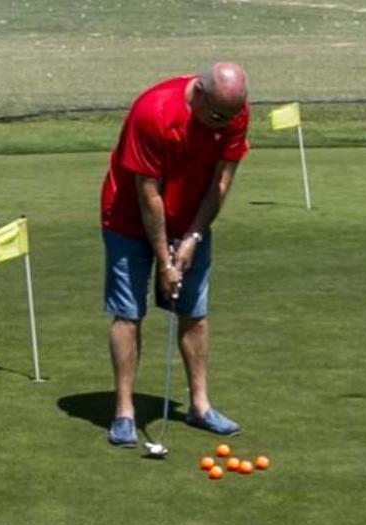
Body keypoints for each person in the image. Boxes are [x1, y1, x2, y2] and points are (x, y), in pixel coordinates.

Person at [99, 62, 250, 447]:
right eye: (217, 114)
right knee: (128, 312)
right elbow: (147, 193)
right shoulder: (153, 112)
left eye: (230, 116)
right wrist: (164, 262)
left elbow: (221, 181)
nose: (223, 124)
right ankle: (124, 413)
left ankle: (199, 406)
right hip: (128, 219)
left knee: (194, 312)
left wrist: (194, 236)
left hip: (189, 217)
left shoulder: (232, 112)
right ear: (199, 93)